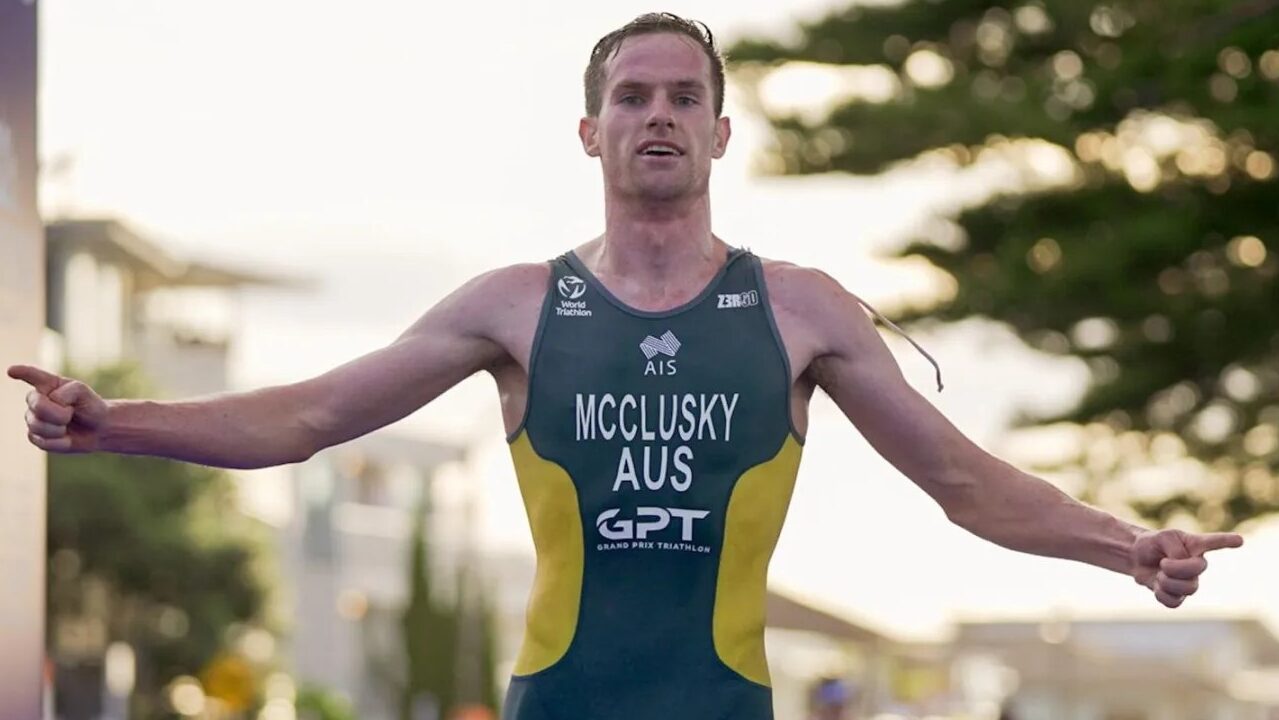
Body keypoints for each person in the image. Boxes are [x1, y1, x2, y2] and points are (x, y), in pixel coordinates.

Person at [9, 12, 1244, 720]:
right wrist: (116, 424)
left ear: (717, 130)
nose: (657, 113)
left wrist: (1123, 548)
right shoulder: (515, 305)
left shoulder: (802, 310)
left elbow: (966, 485)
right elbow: (316, 415)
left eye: (682, 96)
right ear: (591, 130)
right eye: (633, 95)